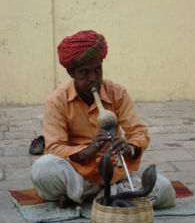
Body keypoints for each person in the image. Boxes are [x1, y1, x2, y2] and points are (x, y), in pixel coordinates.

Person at [31, 30, 175, 208]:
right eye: (84, 72)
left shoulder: (117, 93)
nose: (93, 78)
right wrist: (88, 151)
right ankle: (106, 198)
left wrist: (129, 148)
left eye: (98, 69)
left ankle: (87, 198)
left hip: (115, 177)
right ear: (71, 73)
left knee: (165, 191)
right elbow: (53, 148)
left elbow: (139, 132)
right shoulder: (57, 101)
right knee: (41, 170)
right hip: (79, 176)